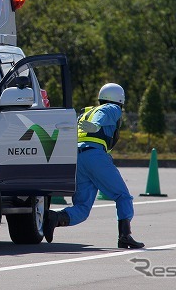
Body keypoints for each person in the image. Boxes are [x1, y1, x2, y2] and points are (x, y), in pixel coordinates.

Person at [43, 83, 144, 249]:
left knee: (82, 207)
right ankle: (125, 236)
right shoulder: (112, 108)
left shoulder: (85, 112)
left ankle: (55, 217)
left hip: (77, 158)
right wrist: (96, 126)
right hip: (94, 156)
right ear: (120, 99)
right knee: (123, 196)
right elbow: (103, 116)